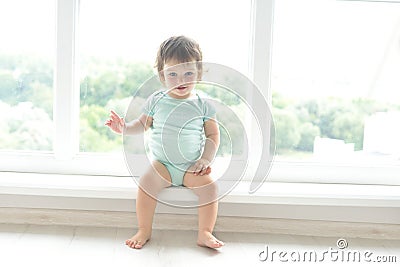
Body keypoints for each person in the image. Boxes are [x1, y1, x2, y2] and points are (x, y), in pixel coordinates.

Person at [105, 36, 224, 249]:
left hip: (191, 167)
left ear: (198, 72)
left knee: (210, 189)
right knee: (146, 184)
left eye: (188, 73)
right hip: (163, 165)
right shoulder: (157, 100)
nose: (181, 80)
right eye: (173, 74)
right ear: (162, 75)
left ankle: (205, 232)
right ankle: (144, 229)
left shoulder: (203, 103)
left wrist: (206, 159)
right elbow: (141, 125)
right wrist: (123, 128)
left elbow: (213, 136)